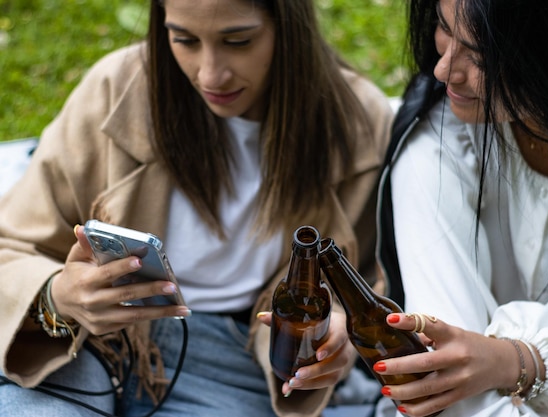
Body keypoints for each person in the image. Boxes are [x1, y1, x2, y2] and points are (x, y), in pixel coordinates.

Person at [0, 1, 393, 416]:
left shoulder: (356, 123)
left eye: (238, 41)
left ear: (290, 28)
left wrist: (334, 338)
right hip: (86, 343)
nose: (210, 74)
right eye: (184, 39)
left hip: (235, 362)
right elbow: (12, 245)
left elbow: (367, 283)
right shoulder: (117, 87)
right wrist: (58, 296)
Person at [373, 0, 548, 416]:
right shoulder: (437, 140)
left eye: (482, 55)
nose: (443, 70)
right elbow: (449, 378)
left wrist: (512, 362)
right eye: (443, 26)